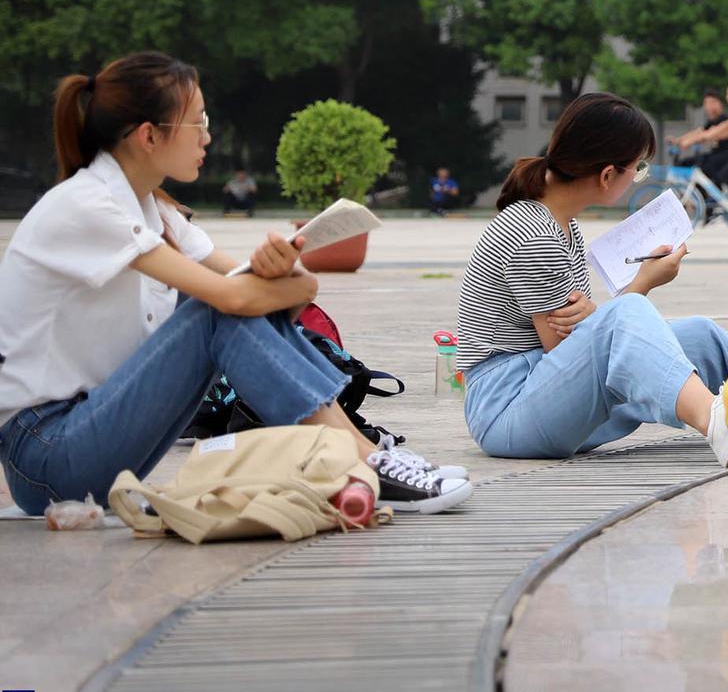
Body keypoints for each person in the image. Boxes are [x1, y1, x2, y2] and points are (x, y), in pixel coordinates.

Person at [0, 53, 471, 516]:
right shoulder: (89, 205)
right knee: (215, 313)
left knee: (227, 308)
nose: (208, 137)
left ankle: (360, 456)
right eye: (198, 123)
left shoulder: (157, 212)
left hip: (98, 441)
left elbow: (282, 299)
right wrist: (277, 287)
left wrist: (284, 273)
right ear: (148, 135)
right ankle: (365, 460)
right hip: (46, 456)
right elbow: (230, 297)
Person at [457, 92, 728, 462]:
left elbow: (588, 340)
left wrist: (601, 315)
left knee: (700, 335)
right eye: (639, 168)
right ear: (607, 175)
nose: (637, 178)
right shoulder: (533, 236)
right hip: (506, 412)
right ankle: (716, 422)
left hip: (542, 387)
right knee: (626, 312)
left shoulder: (564, 225)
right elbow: (565, 347)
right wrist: (642, 284)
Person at [672, 81, 728, 197]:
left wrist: (703, 137)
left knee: (722, 175)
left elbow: (725, 128)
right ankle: (720, 201)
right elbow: (713, 131)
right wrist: (681, 140)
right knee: (715, 172)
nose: (727, 97)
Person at [667, 91, 727, 166]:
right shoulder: (712, 121)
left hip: (725, 158)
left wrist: (690, 141)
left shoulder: (724, 120)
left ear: (720, 104)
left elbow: (707, 134)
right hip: (715, 156)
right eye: (706, 103)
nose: (709, 106)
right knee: (685, 163)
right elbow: (699, 132)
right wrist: (678, 140)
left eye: (712, 102)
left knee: (694, 164)